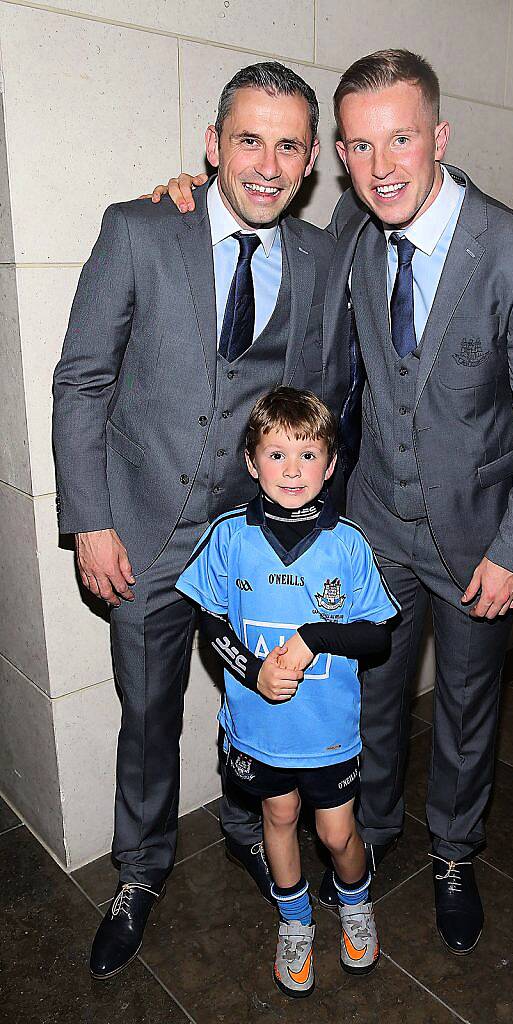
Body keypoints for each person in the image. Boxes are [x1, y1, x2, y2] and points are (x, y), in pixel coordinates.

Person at [153, 48, 513, 957]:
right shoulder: (350, 231)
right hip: (376, 526)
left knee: (468, 704)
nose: (381, 166)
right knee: (369, 697)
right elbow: (252, 188)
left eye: (400, 140)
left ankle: (457, 855)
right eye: (359, 147)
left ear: (439, 137)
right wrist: (190, 191)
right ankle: (371, 835)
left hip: (478, 540)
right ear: (340, 159)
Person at [52, 61, 344, 980]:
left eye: (288, 144)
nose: (266, 162)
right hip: (144, 534)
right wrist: (90, 521)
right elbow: (83, 381)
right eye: (247, 139)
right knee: (147, 715)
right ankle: (138, 873)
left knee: (265, 700)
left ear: (310, 164)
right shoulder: (139, 229)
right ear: (212, 146)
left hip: (262, 547)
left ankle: (247, 825)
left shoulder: (326, 257)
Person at [176, 387, 397, 997]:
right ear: (251, 462)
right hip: (259, 733)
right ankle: (294, 922)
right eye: (276, 455)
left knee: (336, 834)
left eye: (307, 456)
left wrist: (315, 635)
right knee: (278, 817)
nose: (292, 471)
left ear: (330, 465)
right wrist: (251, 673)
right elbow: (211, 624)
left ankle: (356, 900)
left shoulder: (348, 543)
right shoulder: (229, 537)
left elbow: (377, 637)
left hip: (326, 737)